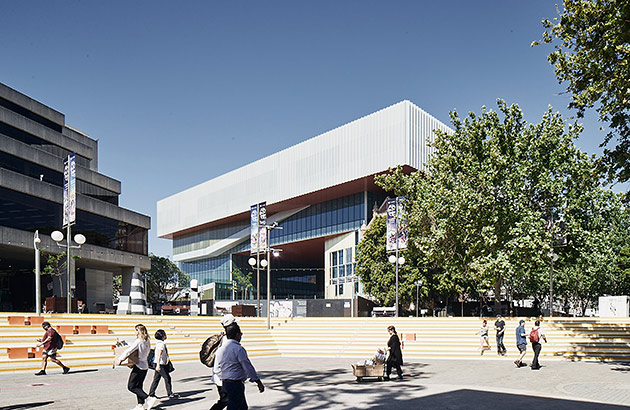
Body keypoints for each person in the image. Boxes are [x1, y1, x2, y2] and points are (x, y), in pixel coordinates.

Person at [219, 321, 264, 410]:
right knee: (235, 406)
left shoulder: (221, 349)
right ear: (237, 335)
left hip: (225, 382)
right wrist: (257, 381)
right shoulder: (238, 349)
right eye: (240, 334)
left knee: (242, 406)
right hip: (235, 383)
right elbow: (247, 366)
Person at [117, 324, 157, 410]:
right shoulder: (147, 341)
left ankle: (149, 398)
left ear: (138, 331)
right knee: (139, 386)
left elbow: (129, 350)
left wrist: (120, 359)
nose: (134, 332)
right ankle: (140, 405)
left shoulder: (139, 341)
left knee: (131, 386)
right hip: (145, 365)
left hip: (139, 365)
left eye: (135, 330)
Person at [210, 314, 234, 410]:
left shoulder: (225, 338)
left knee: (229, 401)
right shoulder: (226, 341)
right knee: (226, 400)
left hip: (224, 377)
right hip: (223, 377)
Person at [148, 329, 179, 400]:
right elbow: (159, 355)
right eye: (164, 334)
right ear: (162, 336)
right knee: (167, 378)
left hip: (158, 363)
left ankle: (151, 393)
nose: (165, 335)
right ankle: (170, 393)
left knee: (156, 379)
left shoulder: (158, 343)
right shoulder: (161, 344)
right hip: (160, 364)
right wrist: (158, 365)